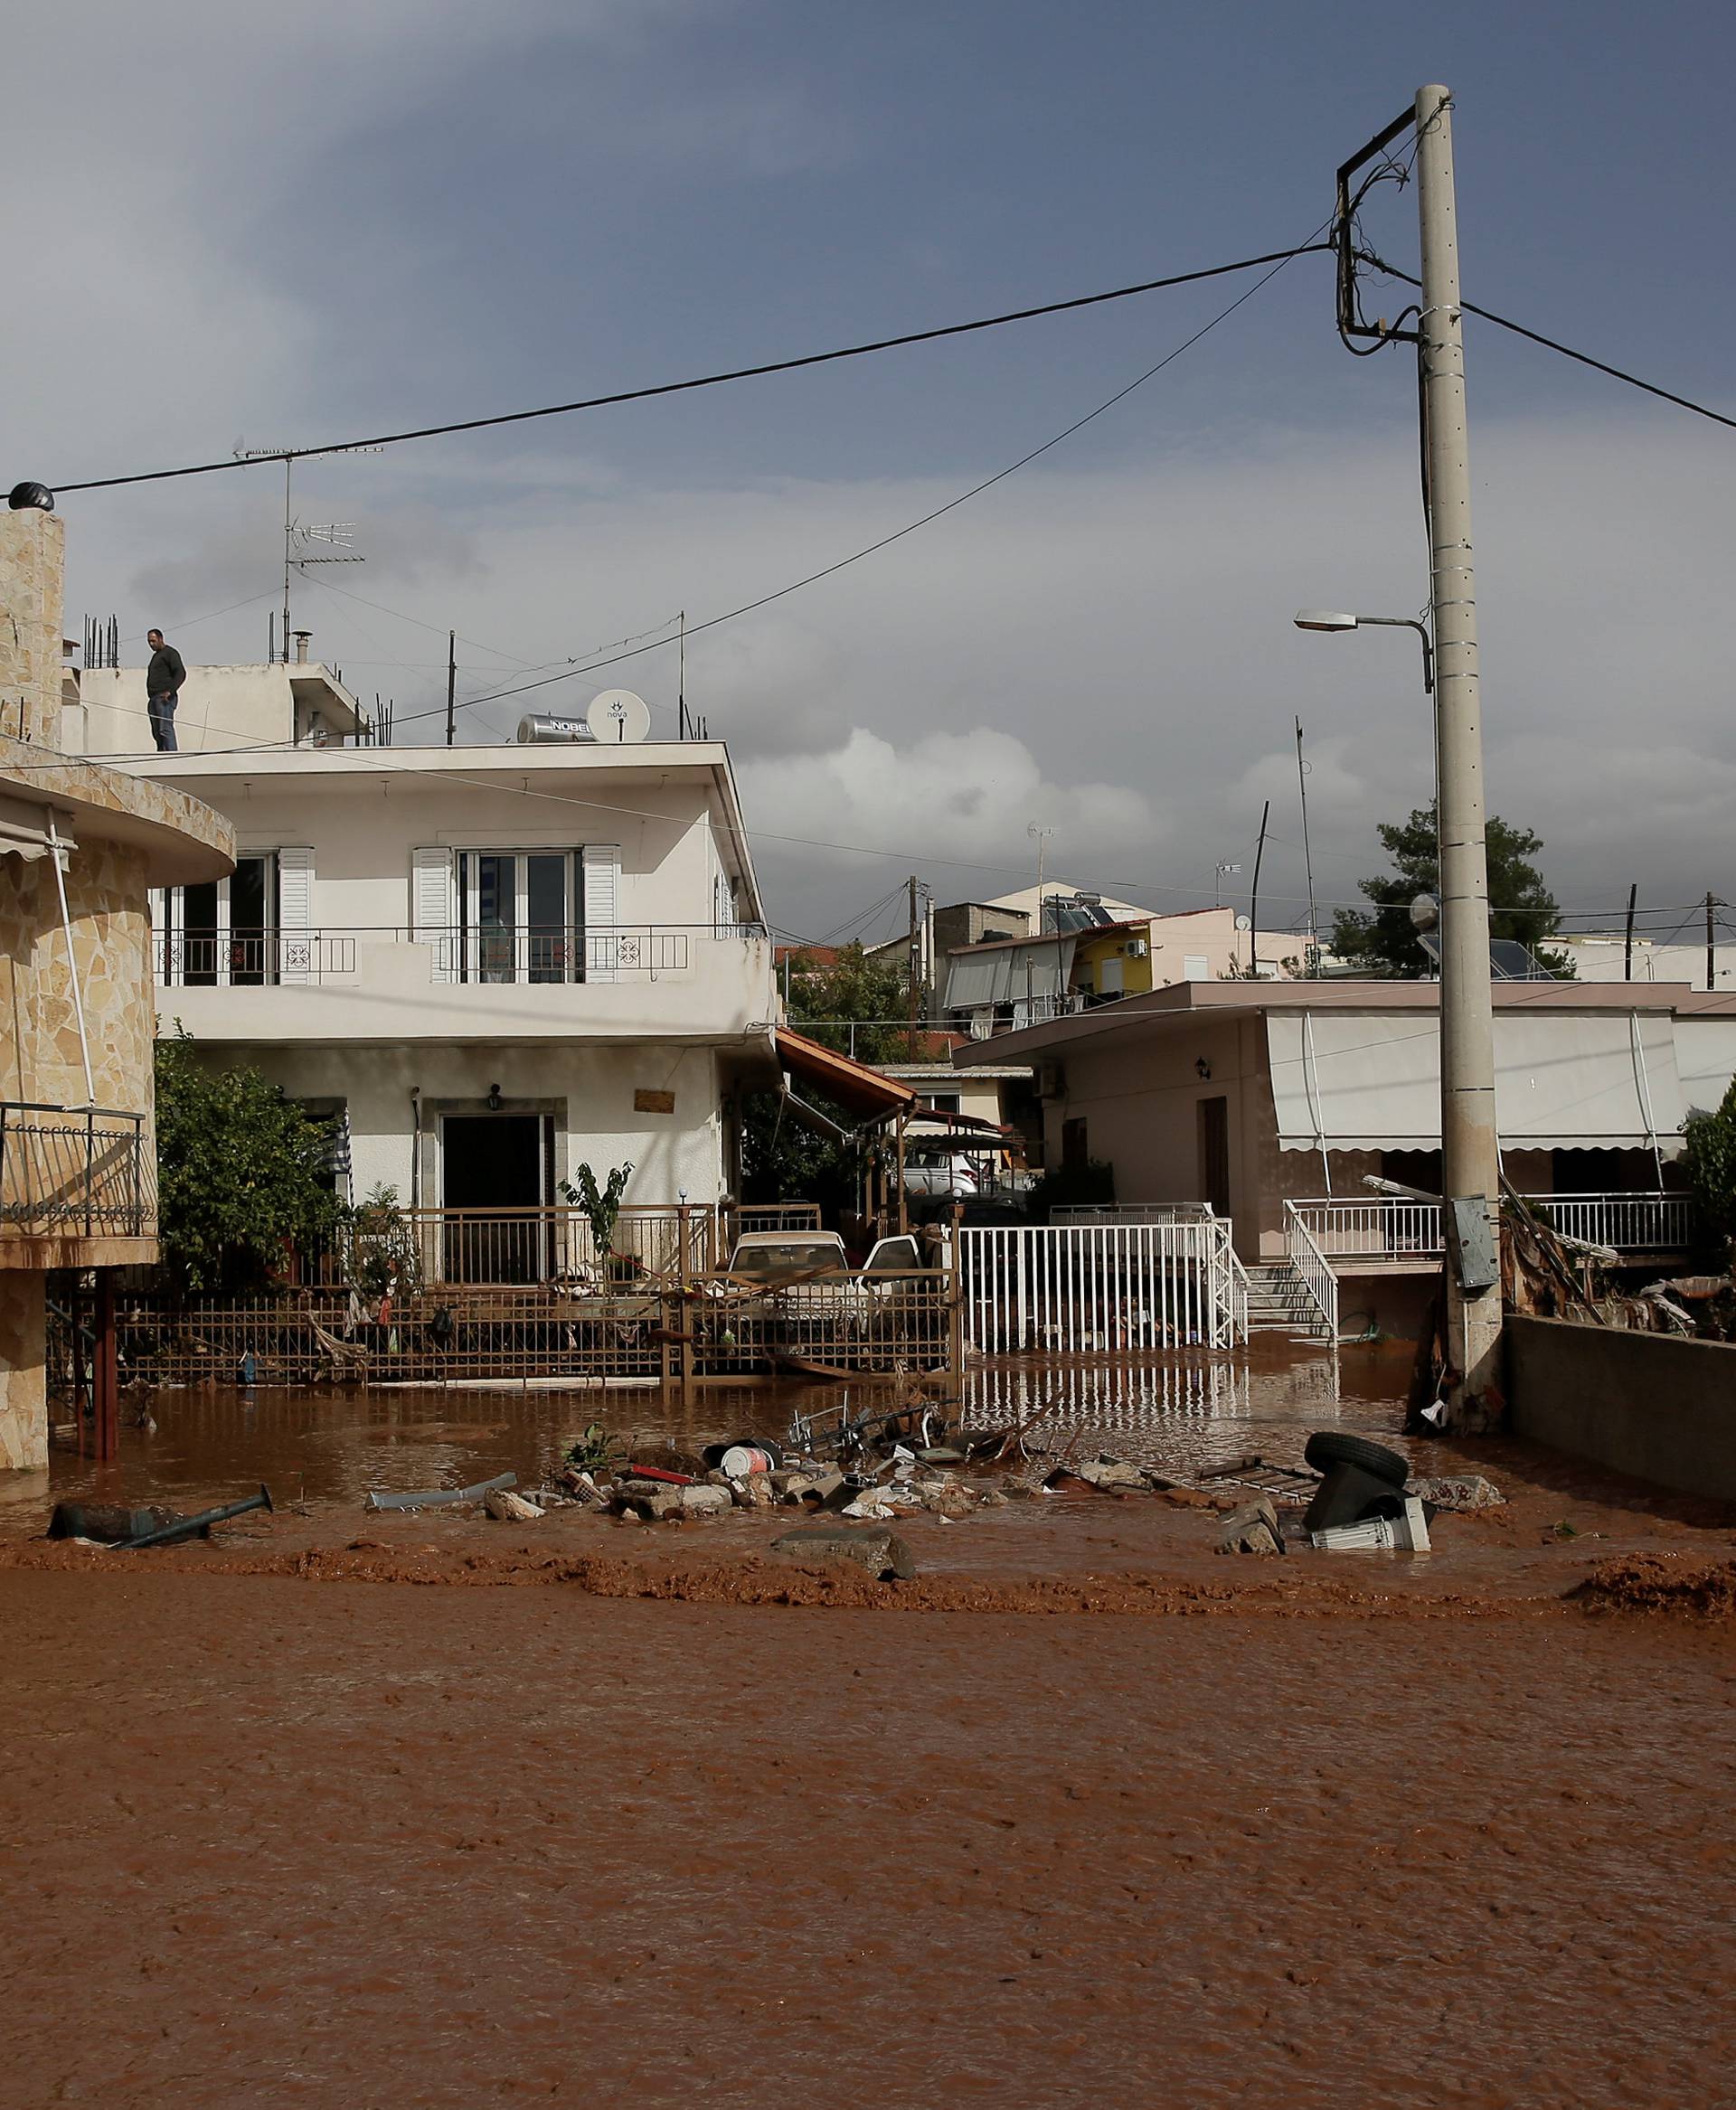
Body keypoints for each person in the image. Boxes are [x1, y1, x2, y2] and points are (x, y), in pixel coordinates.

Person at [144, 627, 185, 751]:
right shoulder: (156, 656)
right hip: (153, 698)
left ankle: (171, 755)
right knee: (156, 731)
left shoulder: (170, 653)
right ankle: (161, 753)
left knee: (165, 728)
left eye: (153, 641)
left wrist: (170, 691)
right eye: (149, 642)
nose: (151, 644)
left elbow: (181, 673)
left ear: (160, 639)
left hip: (164, 698)